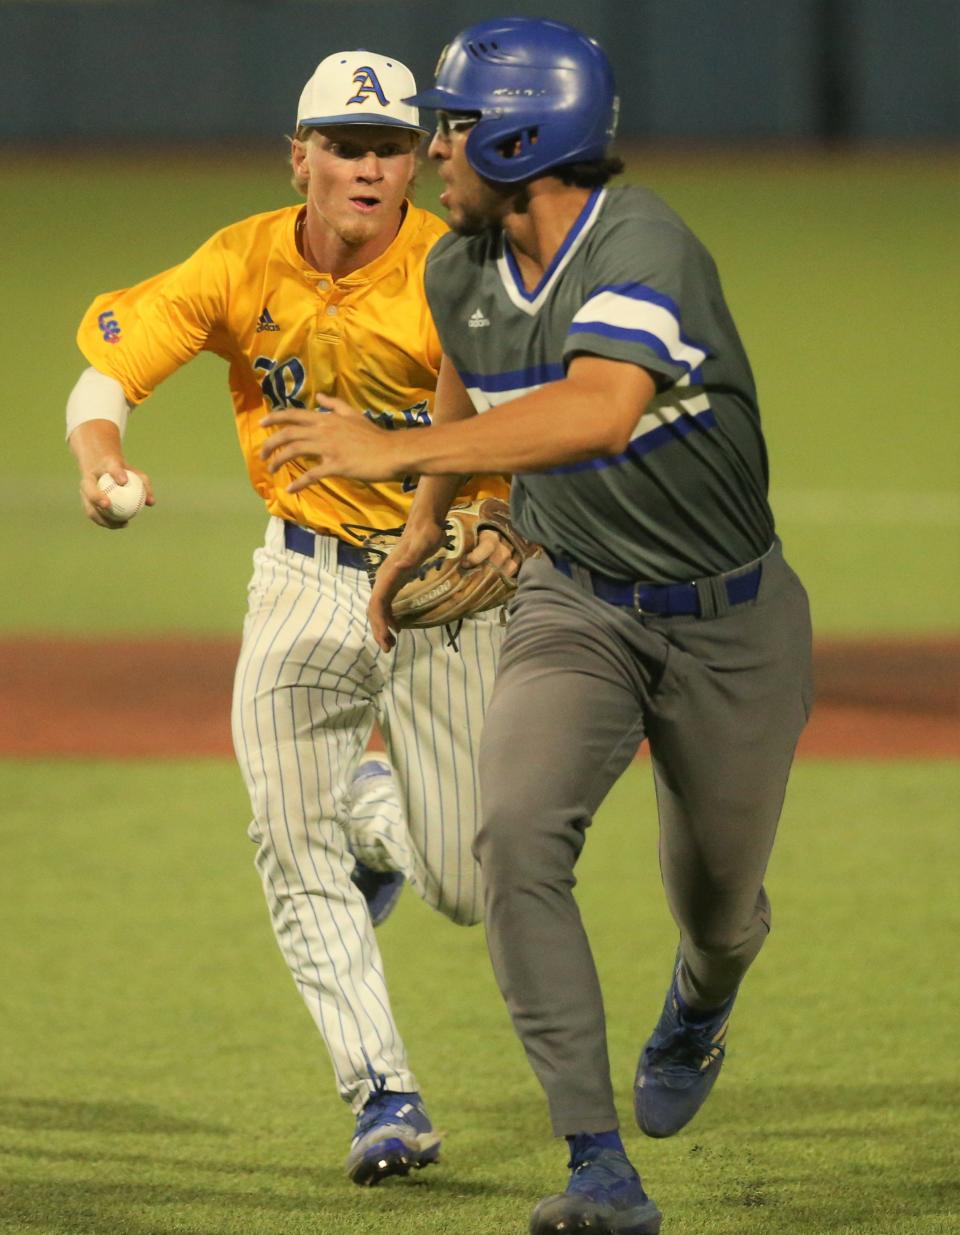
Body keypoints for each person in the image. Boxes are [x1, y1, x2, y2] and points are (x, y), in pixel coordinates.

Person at [257, 16, 815, 1235]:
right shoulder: (459, 264)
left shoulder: (646, 249)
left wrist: (395, 449)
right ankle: (598, 1164)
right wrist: (420, 526)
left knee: (718, 907)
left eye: (446, 130)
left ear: (516, 138)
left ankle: (702, 997)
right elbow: (470, 362)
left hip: (731, 626)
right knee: (515, 838)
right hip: (575, 607)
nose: (425, 153)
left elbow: (598, 412)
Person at [65, 49, 518, 1187]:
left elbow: (533, 423)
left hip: (442, 586)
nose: (370, 168)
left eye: (392, 147)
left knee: (468, 882)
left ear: (422, 157)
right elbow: (107, 369)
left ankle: (378, 808)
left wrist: (513, 525)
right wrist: (102, 455)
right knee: (286, 834)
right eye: (347, 145)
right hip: (304, 576)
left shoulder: (459, 270)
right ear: (302, 154)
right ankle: (383, 1094)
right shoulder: (241, 259)